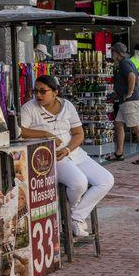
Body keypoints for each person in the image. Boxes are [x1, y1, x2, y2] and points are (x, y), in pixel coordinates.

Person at [20, 75, 114, 236]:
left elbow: (78, 133)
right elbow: (20, 131)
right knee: (79, 183)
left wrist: (68, 149)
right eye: (36, 91)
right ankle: (75, 216)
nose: (39, 95)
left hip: (74, 153)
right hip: (51, 157)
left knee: (106, 180)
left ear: (55, 92)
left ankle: (76, 217)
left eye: (43, 91)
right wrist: (44, 133)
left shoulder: (67, 106)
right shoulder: (29, 108)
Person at [110, 42, 139, 164]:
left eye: (113, 52)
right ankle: (119, 153)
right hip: (127, 101)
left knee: (137, 128)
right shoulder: (128, 62)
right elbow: (137, 77)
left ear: (117, 53)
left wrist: (130, 92)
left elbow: (132, 76)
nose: (112, 54)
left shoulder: (124, 63)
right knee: (118, 123)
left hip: (129, 101)